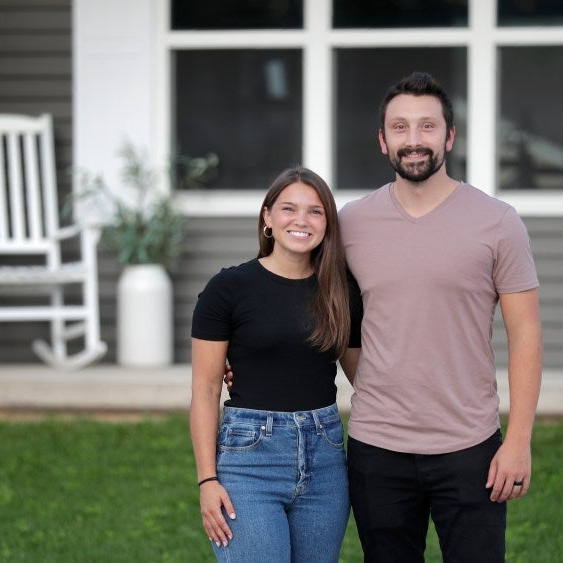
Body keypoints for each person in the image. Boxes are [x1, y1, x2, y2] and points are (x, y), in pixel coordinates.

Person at [339, 71, 543, 562]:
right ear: (383, 141)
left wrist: (518, 442)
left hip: (470, 448)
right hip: (377, 448)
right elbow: (337, 321)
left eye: (427, 127)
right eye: (401, 128)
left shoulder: (498, 222)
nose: (414, 141)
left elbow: (526, 334)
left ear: (449, 136)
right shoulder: (350, 223)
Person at [189, 166, 362, 561]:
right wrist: (207, 480)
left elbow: (366, 379)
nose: (301, 220)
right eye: (288, 208)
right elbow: (205, 389)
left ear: (327, 223)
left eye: (315, 211)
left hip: (326, 458)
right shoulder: (228, 289)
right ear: (267, 217)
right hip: (250, 461)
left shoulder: (340, 291)